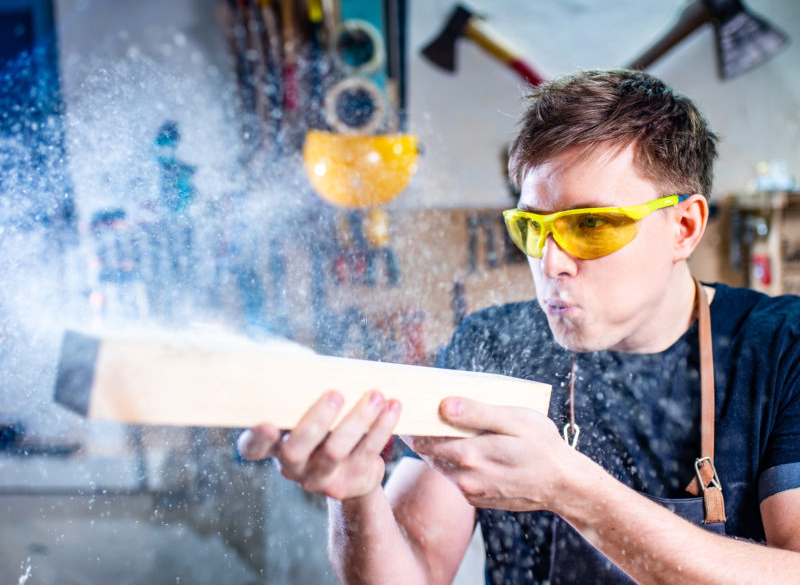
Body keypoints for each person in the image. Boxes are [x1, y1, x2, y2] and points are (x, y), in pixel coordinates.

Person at [237, 69, 800, 583]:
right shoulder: (490, 347)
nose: (550, 262)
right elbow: (413, 571)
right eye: (533, 227)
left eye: (590, 224)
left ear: (684, 226)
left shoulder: (779, 347)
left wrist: (568, 488)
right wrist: (357, 494)